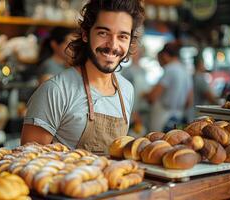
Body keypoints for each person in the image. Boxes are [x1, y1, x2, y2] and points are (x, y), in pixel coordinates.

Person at [21, 0, 145, 153]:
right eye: (103, 33)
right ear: (85, 34)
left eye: (122, 36)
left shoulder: (127, 90)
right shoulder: (55, 90)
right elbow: (29, 162)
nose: (113, 45)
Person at [144, 42, 193, 132]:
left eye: (159, 60)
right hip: (179, 117)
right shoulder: (185, 71)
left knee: (159, 145)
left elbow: (153, 96)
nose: (160, 63)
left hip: (163, 118)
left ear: (165, 55)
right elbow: (189, 101)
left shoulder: (169, 69)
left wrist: (145, 95)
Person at [121, 46, 150, 136]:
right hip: (131, 109)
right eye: (135, 53)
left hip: (142, 109)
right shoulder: (127, 71)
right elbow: (124, 93)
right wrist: (132, 111)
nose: (137, 55)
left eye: (139, 53)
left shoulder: (143, 71)